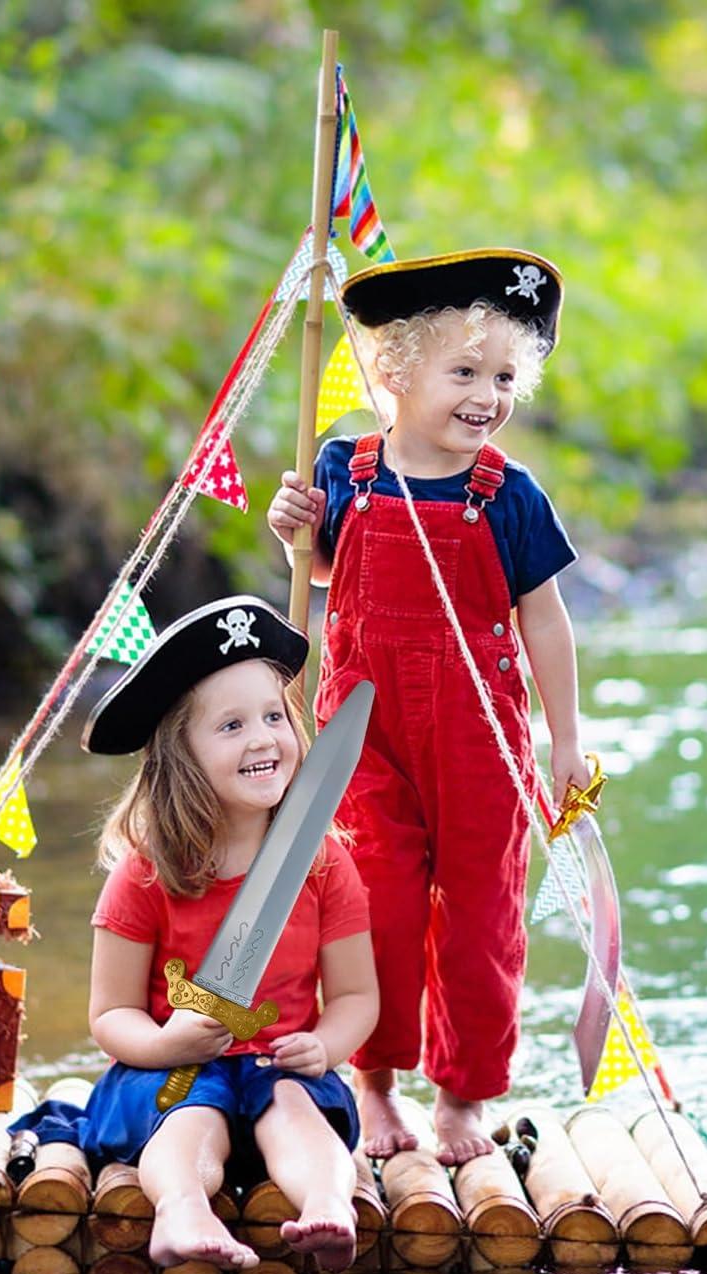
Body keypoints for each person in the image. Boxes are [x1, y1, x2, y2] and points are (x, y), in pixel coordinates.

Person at [267, 249, 593, 1167]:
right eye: (464, 373)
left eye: (502, 377)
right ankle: (373, 1086)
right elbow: (328, 569)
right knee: (376, 905)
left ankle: (463, 1096)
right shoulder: (348, 468)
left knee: (485, 916)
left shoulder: (510, 494)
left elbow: (546, 618)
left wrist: (565, 739)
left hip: (479, 732)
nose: (486, 396)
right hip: (361, 727)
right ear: (396, 373)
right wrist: (297, 533)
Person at [18, 596, 379, 1273]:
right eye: (232, 725)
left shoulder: (324, 862)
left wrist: (324, 1046)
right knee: (193, 1114)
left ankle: (330, 1204)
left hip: (281, 1069)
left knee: (296, 1108)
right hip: (173, 1074)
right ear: (179, 754)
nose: (264, 739)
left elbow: (358, 996)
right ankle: (182, 1211)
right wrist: (161, 1043)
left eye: (275, 716)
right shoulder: (147, 871)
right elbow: (110, 1013)